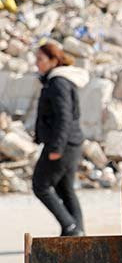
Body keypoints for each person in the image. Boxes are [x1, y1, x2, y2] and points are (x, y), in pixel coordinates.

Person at [33, 41, 87, 236]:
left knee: (41, 185)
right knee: (65, 189)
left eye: (40, 59)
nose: (36, 63)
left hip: (63, 144)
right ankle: (78, 233)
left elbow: (64, 117)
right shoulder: (57, 80)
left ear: (53, 61)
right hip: (70, 143)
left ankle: (70, 228)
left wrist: (56, 148)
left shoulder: (58, 82)